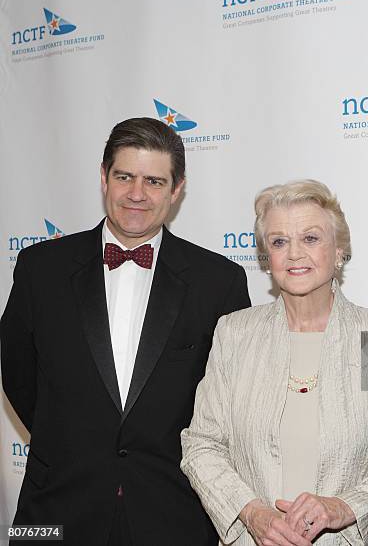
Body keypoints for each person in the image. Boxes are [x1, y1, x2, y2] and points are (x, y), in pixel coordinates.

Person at [0, 117, 251, 546]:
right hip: (53, 506)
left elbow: (233, 402)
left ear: (177, 190)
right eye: (124, 176)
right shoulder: (40, 268)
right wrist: (70, 440)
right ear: (103, 177)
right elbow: (17, 373)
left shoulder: (219, 281)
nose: (137, 194)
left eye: (154, 181)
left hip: (174, 514)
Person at [181, 179, 368, 545]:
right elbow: (202, 444)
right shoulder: (235, 333)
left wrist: (344, 508)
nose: (295, 254)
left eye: (311, 238)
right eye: (280, 242)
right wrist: (252, 512)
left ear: (339, 250)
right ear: (267, 258)